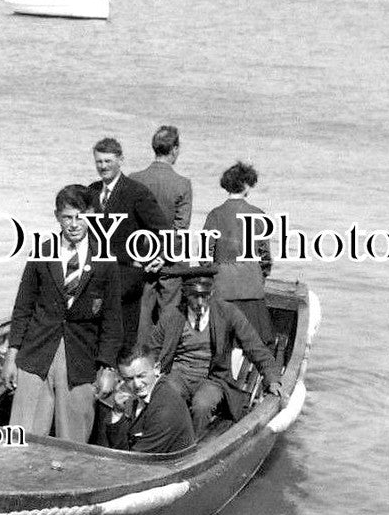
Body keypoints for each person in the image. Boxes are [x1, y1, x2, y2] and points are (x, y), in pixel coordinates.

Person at [2, 184, 122, 442]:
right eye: (68, 217)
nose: (75, 224)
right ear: (57, 216)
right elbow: (23, 307)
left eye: (81, 217)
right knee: (23, 437)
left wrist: (108, 368)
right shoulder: (42, 252)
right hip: (37, 354)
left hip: (81, 359)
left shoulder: (105, 259)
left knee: (73, 440)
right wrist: (12, 356)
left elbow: (112, 319)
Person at [145, 267, 282, 438]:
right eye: (195, 296)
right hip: (178, 374)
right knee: (167, 398)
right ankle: (161, 441)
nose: (200, 302)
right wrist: (145, 377)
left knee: (202, 406)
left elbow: (255, 346)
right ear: (185, 294)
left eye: (205, 296)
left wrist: (272, 378)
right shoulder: (172, 315)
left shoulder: (228, 312)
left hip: (212, 379)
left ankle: (191, 447)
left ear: (212, 293)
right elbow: (152, 350)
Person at [86, 137, 171, 356]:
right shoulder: (91, 192)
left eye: (108, 161)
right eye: (99, 162)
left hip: (126, 277)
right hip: (95, 276)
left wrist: (159, 256)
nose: (103, 166)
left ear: (120, 160)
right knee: (94, 336)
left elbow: (164, 230)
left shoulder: (136, 192)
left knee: (122, 340)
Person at [129, 125, 193, 347]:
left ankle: (138, 360)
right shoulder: (183, 185)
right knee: (169, 313)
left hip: (141, 257)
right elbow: (180, 228)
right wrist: (164, 255)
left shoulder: (134, 179)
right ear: (174, 150)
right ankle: (163, 364)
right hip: (169, 262)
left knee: (141, 314)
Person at [203, 161, 274, 346]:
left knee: (223, 339)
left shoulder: (214, 215)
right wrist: (260, 276)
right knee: (250, 340)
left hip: (223, 288)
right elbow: (265, 258)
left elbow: (204, 257)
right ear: (246, 186)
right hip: (251, 287)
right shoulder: (259, 215)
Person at [114, 352, 194, 453]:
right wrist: (117, 412)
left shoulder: (166, 408)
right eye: (129, 379)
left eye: (141, 376)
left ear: (156, 368)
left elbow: (133, 460)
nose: (137, 384)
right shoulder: (139, 396)